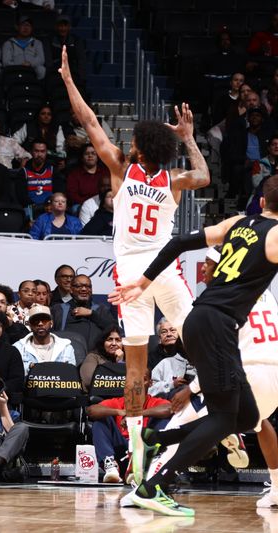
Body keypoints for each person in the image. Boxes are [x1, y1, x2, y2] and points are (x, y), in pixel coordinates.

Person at [60, 45, 210, 487]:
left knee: (136, 369)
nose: (127, 143)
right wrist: (188, 137)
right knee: (201, 342)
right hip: (166, 269)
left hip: (132, 275)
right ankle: (211, 403)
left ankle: (138, 458)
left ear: (140, 147)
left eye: (133, 140)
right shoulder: (174, 179)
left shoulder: (121, 171)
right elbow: (202, 176)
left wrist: (68, 81)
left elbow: (89, 122)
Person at [109, 176, 278, 516]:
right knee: (223, 417)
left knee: (247, 416)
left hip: (202, 319)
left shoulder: (238, 223)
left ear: (261, 202)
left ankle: (162, 439)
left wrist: (142, 283)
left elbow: (177, 244)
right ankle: (152, 488)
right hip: (218, 325)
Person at [87, 370, 171, 484]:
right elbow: (91, 411)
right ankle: (111, 466)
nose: (137, 383)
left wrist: (136, 414)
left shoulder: (155, 402)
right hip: (121, 451)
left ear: (150, 383)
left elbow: (169, 409)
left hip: (144, 452)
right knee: (100, 421)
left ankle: (152, 466)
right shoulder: (118, 402)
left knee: (164, 420)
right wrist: (119, 412)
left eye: (144, 379)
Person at [13, 305, 76, 375]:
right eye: (35, 321)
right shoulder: (18, 348)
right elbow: (15, 376)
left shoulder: (66, 348)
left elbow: (71, 374)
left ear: (51, 323)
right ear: (30, 325)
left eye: (44, 320)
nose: (40, 323)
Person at [80, 325, 125, 389]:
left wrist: (120, 362)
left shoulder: (128, 359)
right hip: (98, 396)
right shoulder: (93, 357)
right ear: (103, 342)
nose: (114, 343)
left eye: (118, 340)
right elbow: (88, 381)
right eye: (110, 339)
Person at [1, 16, 46, 80]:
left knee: (41, 69)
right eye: (23, 25)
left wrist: (30, 63)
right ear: (17, 27)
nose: (26, 28)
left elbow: (41, 59)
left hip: (32, 70)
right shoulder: (8, 43)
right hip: (15, 71)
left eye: (28, 25)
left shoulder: (37, 43)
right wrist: (21, 65)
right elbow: (6, 62)